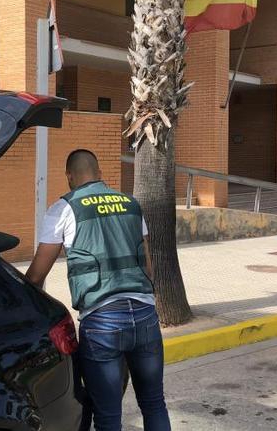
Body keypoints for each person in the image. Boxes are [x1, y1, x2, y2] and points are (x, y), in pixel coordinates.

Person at [25, 150, 170, 431]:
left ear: (69, 176)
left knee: (108, 416)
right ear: (100, 173)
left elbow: (36, 275)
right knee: (153, 403)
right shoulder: (131, 204)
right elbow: (148, 268)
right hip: (144, 315)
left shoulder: (63, 209)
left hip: (102, 321)